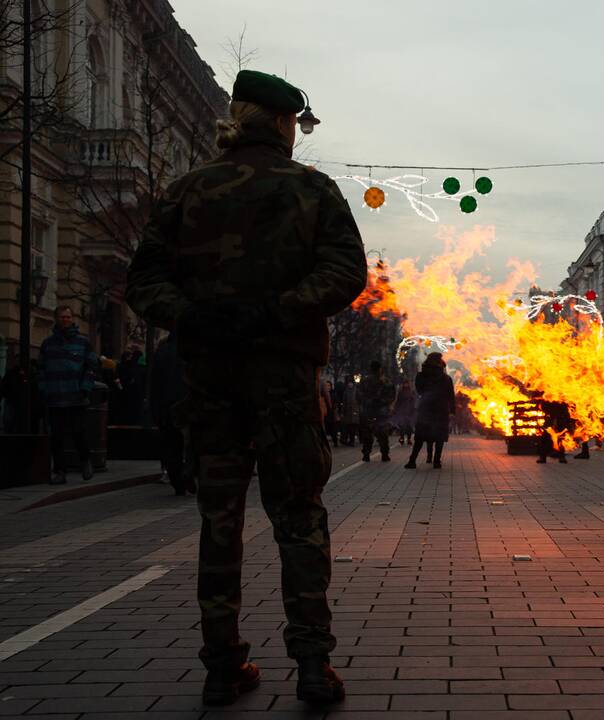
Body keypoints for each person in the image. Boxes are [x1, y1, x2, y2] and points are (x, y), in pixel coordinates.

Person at [125, 70, 366, 706]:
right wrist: (281, 309)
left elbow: (144, 280)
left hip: (211, 380)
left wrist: (193, 315)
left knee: (219, 520)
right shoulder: (313, 190)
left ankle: (222, 665)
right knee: (300, 521)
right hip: (285, 380)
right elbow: (346, 272)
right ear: (286, 124)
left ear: (238, 118)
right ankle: (313, 667)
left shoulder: (186, 191)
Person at [39, 306, 98, 485]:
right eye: (62, 317)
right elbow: (41, 369)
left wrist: (85, 388)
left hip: (76, 397)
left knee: (79, 432)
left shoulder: (83, 342)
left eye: (68, 316)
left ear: (72, 319)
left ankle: (85, 461)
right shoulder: (48, 344)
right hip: (55, 397)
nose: (65, 319)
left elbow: (91, 367)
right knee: (57, 436)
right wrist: (44, 389)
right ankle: (60, 471)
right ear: (56, 318)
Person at [150, 333, 189, 496]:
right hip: (188, 405)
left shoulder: (161, 352)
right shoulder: (193, 351)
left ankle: (177, 482)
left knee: (171, 447)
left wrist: (155, 409)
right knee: (189, 444)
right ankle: (188, 477)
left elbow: (154, 384)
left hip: (166, 407)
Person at [405, 353, 455, 469]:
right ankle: (436, 461)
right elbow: (450, 396)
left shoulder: (421, 376)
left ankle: (412, 461)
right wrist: (452, 411)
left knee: (420, 437)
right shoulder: (446, 378)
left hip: (426, 409)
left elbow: (420, 391)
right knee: (439, 437)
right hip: (441, 410)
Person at [357, 360, 395, 462]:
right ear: (380, 369)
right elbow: (391, 396)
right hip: (381, 411)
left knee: (367, 434)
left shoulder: (364, 381)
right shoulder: (385, 381)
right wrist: (385, 403)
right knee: (382, 433)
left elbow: (359, 396)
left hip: (368, 410)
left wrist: (366, 403)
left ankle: (366, 453)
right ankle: (385, 454)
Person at [391, 381, 416, 446]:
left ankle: (409, 439)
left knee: (409, 427)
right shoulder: (401, 392)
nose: (406, 385)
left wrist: (413, 409)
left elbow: (413, 401)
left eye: (407, 383)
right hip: (402, 411)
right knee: (402, 426)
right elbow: (398, 401)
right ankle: (402, 438)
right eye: (405, 383)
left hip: (409, 411)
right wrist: (395, 409)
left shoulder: (411, 392)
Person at [341, 376, 360, 446]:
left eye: (351, 383)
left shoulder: (356, 391)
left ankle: (352, 441)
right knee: (348, 427)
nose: (350, 384)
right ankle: (349, 440)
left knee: (353, 427)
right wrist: (343, 412)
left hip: (355, 411)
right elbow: (344, 402)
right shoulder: (346, 391)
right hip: (348, 412)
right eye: (349, 383)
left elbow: (359, 400)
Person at [319, 379, 337, 447]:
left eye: (328, 386)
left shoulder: (333, 394)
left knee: (333, 428)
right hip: (324, 412)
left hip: (331, 413)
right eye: (326, 386)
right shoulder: (322, 394)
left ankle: (334, 441)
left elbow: (334, 403)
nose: (327, 387)